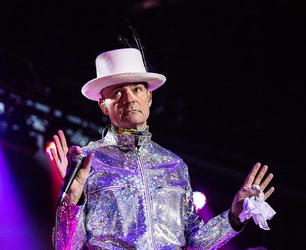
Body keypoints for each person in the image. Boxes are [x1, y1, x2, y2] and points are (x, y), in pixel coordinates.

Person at [50, 48, 275, 249]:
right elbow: (65, 246)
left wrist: (234, 217)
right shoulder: (88, 161)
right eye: (118, 93)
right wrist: (72, 198)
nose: (130, 98)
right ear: (103, 105)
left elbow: (195, 243)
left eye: (137, 89)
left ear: (149, 97)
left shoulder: (174, 165)